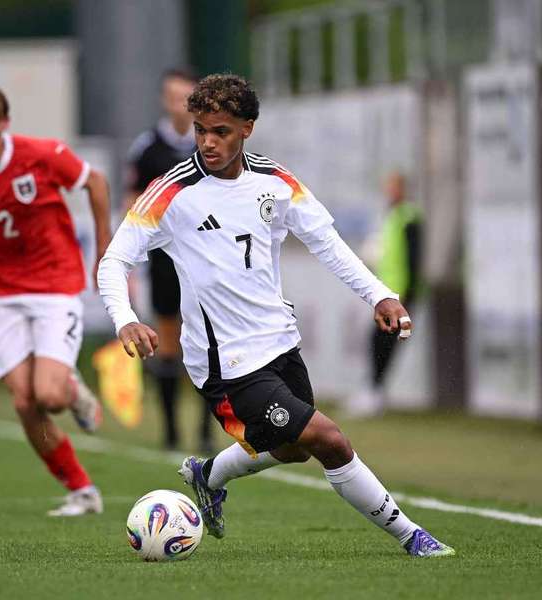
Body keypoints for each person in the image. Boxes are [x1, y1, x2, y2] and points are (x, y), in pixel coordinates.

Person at [97, 74, 454, 557]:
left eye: (220, 131)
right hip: (225, 363)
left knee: (292, 449)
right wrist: (125, 318)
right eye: (200, 130)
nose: (207, 142)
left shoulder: (276, 182)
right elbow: (114, 260)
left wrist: (379, 296)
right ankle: (413, 536)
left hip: (279, 342)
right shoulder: (171, 191)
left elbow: (327, 244)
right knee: (329, 439)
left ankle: (209, 475)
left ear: (247, 128)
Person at [0, 82, 110, 517]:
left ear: (5, 123)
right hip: (2, 295)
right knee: (24, 402)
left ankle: (70, 388)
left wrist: (104, 250)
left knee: (49, 396)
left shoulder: (42, 155)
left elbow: (96, 182)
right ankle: (82, 490)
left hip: (55, 284)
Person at [125, 68, 213, 452]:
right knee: (169, 341)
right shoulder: (148, 148)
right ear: (164, 100)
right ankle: (172, 432)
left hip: (206, 258)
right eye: (173, 97)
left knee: (210, 341)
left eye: (186, 97)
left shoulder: (211, 142)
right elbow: (132, 201)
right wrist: (132, 253)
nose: (180, 104)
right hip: (164, 260)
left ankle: (209, 432)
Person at [349, 172, 424, 416]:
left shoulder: (409, 217)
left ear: (402, 189)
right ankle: (374, 390)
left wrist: (409, 293)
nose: (389, 191)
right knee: (379, 341)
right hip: (388, 291)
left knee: (382, 341)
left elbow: (414, 258)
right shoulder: (391, 215)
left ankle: (374, 392)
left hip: (400, 293)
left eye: (393, 187)